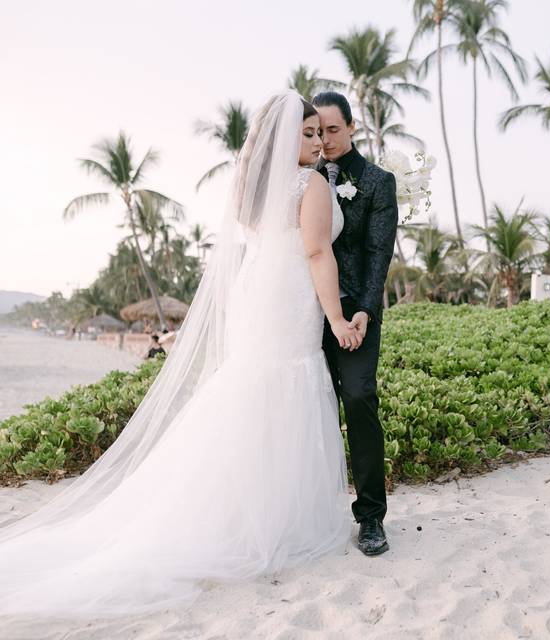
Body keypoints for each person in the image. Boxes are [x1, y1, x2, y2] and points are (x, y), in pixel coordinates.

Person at [0, 92, 362, 617]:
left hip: (258, 296)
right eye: (305, 134)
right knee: (284, 387)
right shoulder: (308, 185)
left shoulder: (255, 188)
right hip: (286, 300)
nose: (314, 143)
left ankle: (244, 509)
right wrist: (335, 318)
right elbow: (315, 251)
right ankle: (267, 521)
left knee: (253, 391)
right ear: (284, 139)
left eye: (316, 134)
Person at [313, 91, 398, 556]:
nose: (324, 139)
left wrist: (363, 311)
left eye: (333, 129)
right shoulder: (301, 178)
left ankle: (371, 517)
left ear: (351, 127)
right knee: (309, 405)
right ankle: (312, 512)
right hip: (307, 314)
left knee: (360, 397)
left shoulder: (377, 182)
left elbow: (377, 254)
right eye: (317, 130)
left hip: (357, 313)